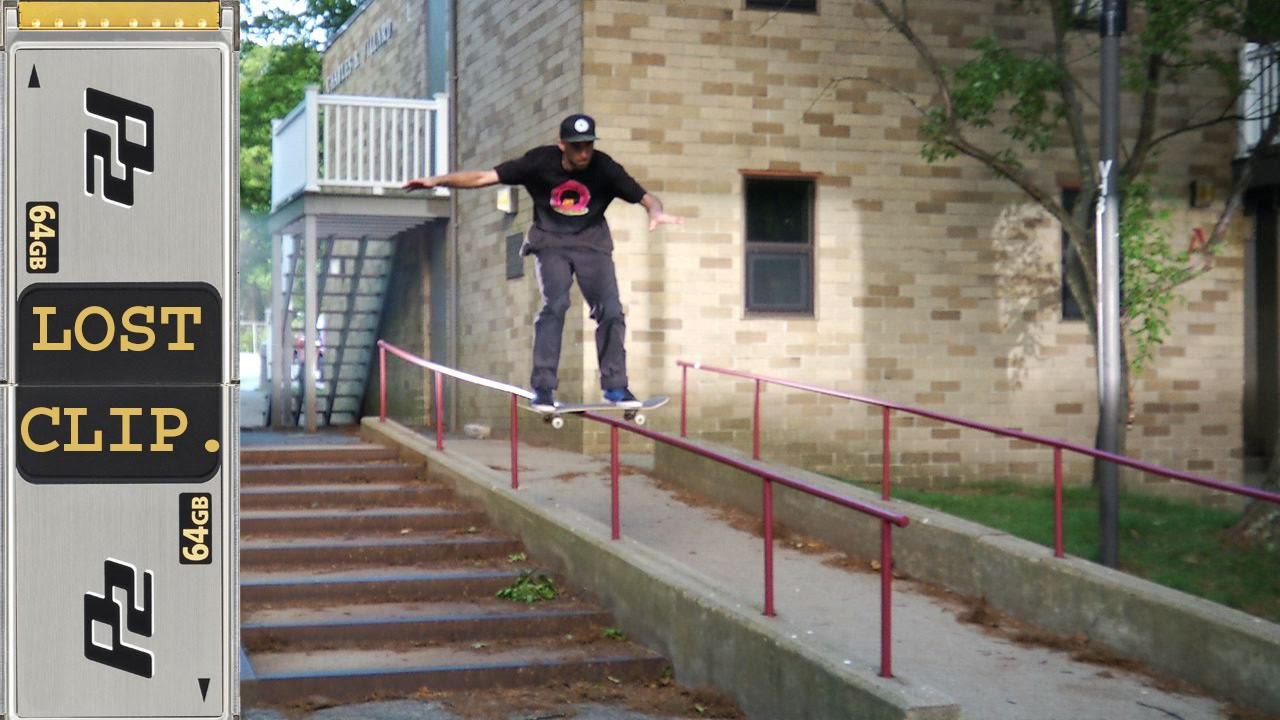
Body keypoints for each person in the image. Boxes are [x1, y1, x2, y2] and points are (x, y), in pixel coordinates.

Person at [403, 113, 682, 411]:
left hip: (592, 245)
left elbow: (646, 197)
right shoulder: (538, 163)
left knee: (611, 310)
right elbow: (484, 177)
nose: (584, 153)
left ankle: (615, 386)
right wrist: (436, 181)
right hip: (551, 244)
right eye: (577, 148)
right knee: (555, 305)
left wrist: (655, 212)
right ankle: (544, 387)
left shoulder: (605, 167)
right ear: (561, 145)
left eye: (588, 146)